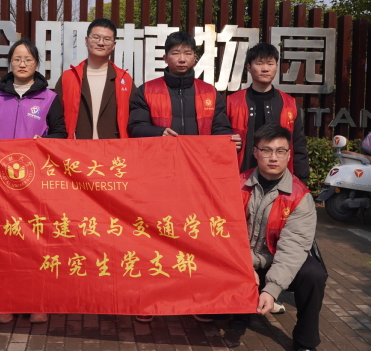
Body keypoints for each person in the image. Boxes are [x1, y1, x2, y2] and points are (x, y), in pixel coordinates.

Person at [128, 31, 241, 323]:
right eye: (175, 53)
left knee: (198, 240)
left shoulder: (209, 93)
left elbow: (220, 129)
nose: (181, 58)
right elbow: (135, 127)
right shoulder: (146, 90)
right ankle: (148, 301)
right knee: (154, 239)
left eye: (187, 53)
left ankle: (199, 300)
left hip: (197, 181)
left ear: (195, 58)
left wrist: (229, 140)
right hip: (157, 179)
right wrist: (158, 133)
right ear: (165, 57)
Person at [0, 38, 66, 323]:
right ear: (10, 63)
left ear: (37, 64)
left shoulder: (49, 97)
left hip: (36, 184)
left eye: (28, 59)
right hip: (2, 184)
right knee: (5, 243)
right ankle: (6, 302)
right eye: (17, 59)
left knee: (36, 243)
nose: (22, 64)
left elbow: (61, 133)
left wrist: (43, 142)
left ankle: (37, 302)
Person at [238, 123, 326, 351]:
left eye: (280, 151)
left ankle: (306, 342)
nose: (273, 157)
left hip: (276, 262)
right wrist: (244, 266)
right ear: (255, 152)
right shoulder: (236, 185)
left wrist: (272, 289)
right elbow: (226, 234)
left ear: (289, 154)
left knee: (313, 274)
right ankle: (235, 312)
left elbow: (293, 248)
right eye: (266, 150)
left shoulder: (300, 196)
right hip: (241, 261)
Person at [227, 42, 309, 180]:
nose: (265, 69)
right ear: (249, 67)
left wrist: (301, 179)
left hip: (280, 178)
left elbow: (298, 144)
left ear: (276, 67)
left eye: (270, 64)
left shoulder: (290, 104)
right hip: (240, 176)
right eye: (259, 63)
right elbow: (220, 138)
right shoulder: (232, 102)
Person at [55, 18, 135, 140]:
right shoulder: (68, 77)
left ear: (114, 45)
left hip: (114, 149)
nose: (101, 43)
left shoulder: (124, 79)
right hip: (76, 148)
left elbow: (136, 119)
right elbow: (55, 118)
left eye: (107, 39)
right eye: (96, 38)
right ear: (86, 41)